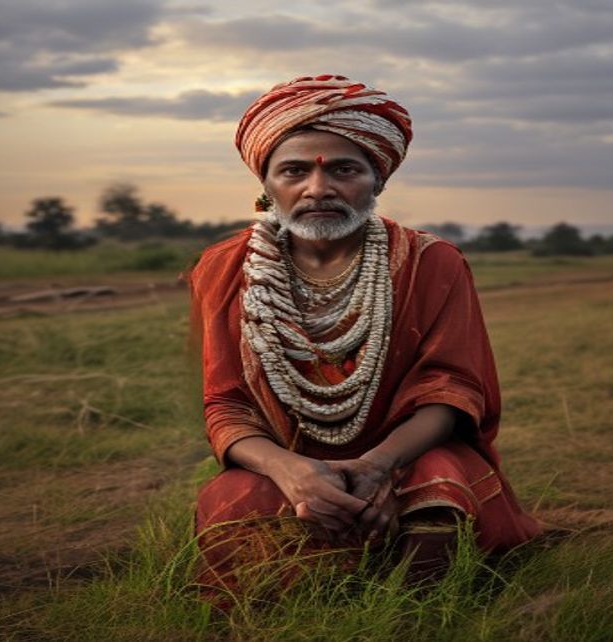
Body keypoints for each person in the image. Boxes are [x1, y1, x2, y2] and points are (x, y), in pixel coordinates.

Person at [190, 74, 540, 595]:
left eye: (345, 169)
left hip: (407, 453)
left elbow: (451, 390)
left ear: (377, 180)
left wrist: (379, 466)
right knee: (235, 503)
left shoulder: (432, 262)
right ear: (266, 184)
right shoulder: (223, 268)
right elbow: (225, 404)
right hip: (283, 461)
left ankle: (417, 613)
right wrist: (294, 474)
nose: (318, 188)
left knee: (439, 485)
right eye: (294, 171)